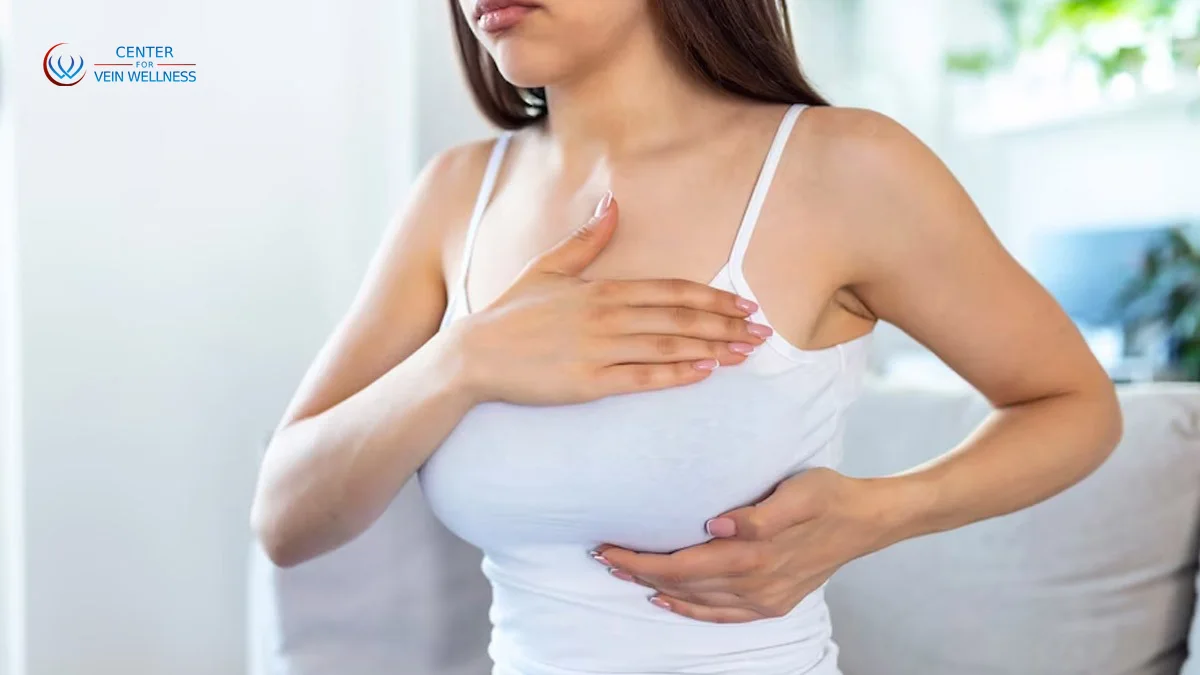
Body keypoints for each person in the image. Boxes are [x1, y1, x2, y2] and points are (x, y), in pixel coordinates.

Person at [250, 0, 1124, 672]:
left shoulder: (846, 167)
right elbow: (288, 517)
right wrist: (463, 360)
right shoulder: (453, 195)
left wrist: (879, 512)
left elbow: (1074, 404)